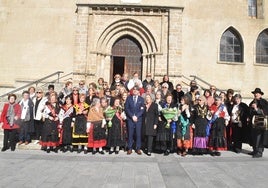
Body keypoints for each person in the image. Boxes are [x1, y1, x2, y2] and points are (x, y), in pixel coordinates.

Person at [125, 86, 145, 155]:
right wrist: (132, 116)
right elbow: (127, 109)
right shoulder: (128, 98)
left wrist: (136, 116)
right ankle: (129, 148)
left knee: (138, 134)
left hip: (138, 119)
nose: (135, 91)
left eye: (136, 90)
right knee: (130, 134)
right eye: (134, 90)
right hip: (130, 119)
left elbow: (142, 109)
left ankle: (138, 148)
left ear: (139, 91)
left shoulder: (141, 99)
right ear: (132, 91)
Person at [249, 88, 268, 158]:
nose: (256, 94)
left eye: (257, 93)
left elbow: (265, 112)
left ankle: (259, 152)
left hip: (260, 121)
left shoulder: (264, 101)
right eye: (255, 93)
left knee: (259, 137)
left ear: (260, 94)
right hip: (253, 121)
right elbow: (250, 111)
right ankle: (255, 150)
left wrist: (256, 109)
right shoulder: (253, 101)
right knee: (253, 136)